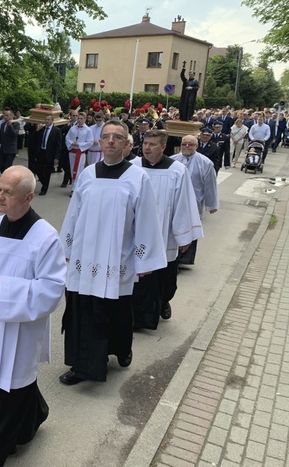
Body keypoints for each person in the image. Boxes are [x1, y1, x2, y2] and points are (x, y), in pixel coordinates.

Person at [0, 165, 66, 467]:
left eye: (8, 192)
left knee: (12, 388)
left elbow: (52, 288)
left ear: (29, 197)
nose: (0, 197)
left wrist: (2, 285)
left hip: (20, 327)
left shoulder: (46, 238)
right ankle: (35, 416)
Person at [59, 120, 167, 385]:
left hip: (116, 259)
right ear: (99, 141)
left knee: (114, 311)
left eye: (117, 137)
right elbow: (74, 214)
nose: (110, 141)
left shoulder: (137, 177)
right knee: (84, 311)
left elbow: (146, 221)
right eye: (106, 136)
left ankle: (121, 349)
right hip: (85, 259)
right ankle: (83, 367)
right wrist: (67, 248)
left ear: (127, 144)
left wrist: (145, 260)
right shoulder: (88, 174)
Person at [132, 130, 202, 328]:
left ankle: (164, 301)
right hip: (137, 234)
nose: (147, 147)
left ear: (163, 147)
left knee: (166, 279)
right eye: (145, 143)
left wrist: (184, 236)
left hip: (165, 235)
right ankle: (139, 317)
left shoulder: (177, 170)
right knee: (140, 279)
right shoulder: (133, 167)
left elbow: (183, 204)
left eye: (152, 144)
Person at [172, 135, 219, 265]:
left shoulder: (205, 163)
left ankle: (184, 259)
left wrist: (212, 204)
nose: (187, 147)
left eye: (190, 144)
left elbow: (210, 184)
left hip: (194, 201)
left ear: (196, 146)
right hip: (174, 202)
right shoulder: (172, 161)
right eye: (184, 144)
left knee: (190, 227)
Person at [30, 114, 62, 196]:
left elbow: (58, 145)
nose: (46, 121)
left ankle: (44, 188)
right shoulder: (42, 129)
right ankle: (44, 182)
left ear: (52, 121)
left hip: (50, 154)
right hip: (41, 152)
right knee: (37, 169)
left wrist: (56, 157)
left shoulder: (56, 131)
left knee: (47, 172)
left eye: (48, 120)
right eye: (46, 119)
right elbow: (34, 139)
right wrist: (37, 130)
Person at [64, 112, 94, 188]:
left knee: (79, 170)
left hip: (80, 153)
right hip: (72, 152)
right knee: (72, 169)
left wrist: (79, 144)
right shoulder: (72, 128)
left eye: (81, 118)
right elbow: (67, 138)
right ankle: (73, 186)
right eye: (78, 118)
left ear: (85, 119)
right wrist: (72, 143)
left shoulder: (88, 130)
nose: (79, 120)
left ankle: (76, 188)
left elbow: (90, 142)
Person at [0, 108, 20, 177]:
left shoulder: (16, 124)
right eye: (4, 115)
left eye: (7, 115)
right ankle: (5, 176)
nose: (5, 117)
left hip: (11, 149)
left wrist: (10, 125)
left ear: (12, 116)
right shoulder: (2, 125)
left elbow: (14, 135)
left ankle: (8, 178)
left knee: (7, 166)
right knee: (0, 164)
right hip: (3, 148)